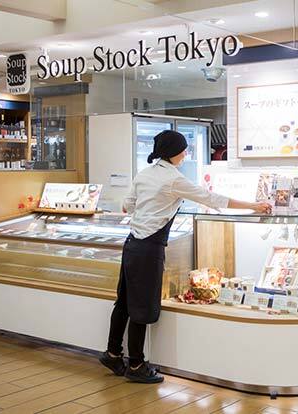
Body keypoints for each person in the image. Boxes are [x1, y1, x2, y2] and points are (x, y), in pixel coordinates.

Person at [100, 130, 271, 383]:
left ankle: (113, 353)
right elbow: (211, 198)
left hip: (132, 244)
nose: (185, 154)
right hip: (149, 248)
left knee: (124, 301)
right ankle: (136, 365)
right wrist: (253, 206)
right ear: (173, 152)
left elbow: (128, 206)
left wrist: (152, 207)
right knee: (142, 306)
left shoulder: (145, 173)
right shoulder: (173, 179)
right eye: (183, 150)